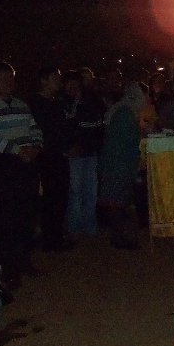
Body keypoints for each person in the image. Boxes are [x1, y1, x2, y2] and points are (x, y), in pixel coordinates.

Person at [0, 62, 43, 289]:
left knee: (26, 212)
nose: (8, 82)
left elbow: (35, 129)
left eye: (11, 78)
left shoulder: (21, 105)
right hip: (2, 164)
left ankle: (23, 259)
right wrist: (17, 150)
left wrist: (35, 147)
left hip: (25, 162)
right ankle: (7, 268)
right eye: (3, 78)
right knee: (6, 216)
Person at [27, 66, 74, 250]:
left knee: (60, 197)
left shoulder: (56, 102)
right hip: (46, 157)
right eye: (55, 78)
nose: (59, 82)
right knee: (49, 198)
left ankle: (56, 236)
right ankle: (49, 239)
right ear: (44, 80)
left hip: (59, 155)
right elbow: (42, 132)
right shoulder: (35, 104)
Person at [98, 82, 146, 249]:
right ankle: (119, 237)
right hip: (119, 164)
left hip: (116, 162)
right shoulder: (125, 114)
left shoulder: (123, 111)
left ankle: (118, 236)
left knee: (117, 199)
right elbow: (127, 142)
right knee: (117, 200)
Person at [62, 70, 104, 238]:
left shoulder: (91, 99)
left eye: (76, 83)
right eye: (69, 83)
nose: (73, 87)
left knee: (91, 190)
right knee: (75, 191)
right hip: (74, 153)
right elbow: (68, 126)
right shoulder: (62, 102)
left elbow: (97, 123)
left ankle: (89, 225)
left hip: (90, 152)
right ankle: (74, 227)